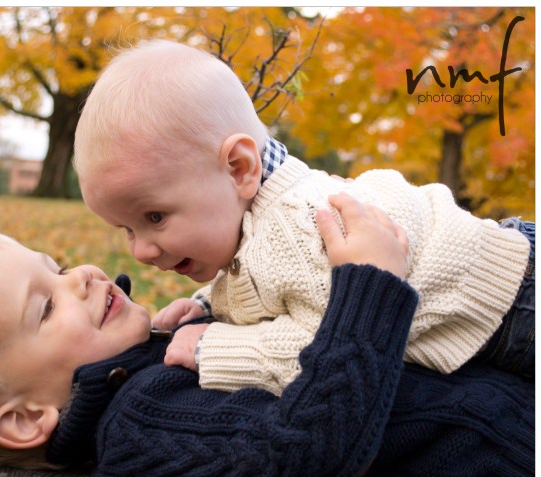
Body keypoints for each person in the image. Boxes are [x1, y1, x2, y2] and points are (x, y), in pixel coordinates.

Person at [0, 196, 534, 477]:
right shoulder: (138, 430)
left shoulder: (142, 382)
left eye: (55, 266)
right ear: (28, 418)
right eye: (46, 306)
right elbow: (304, 450)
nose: (81, 275)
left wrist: (208, 321)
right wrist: (369, 286)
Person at [73, 40, 534, 396]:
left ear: (239, 168)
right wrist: (210, 307)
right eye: (128, 228)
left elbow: (330, 346)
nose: (141, 250)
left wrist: (213, 346)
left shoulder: (302, 227)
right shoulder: (257, 220)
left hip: (517, 303)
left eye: (154, 216)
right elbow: (273, 287)